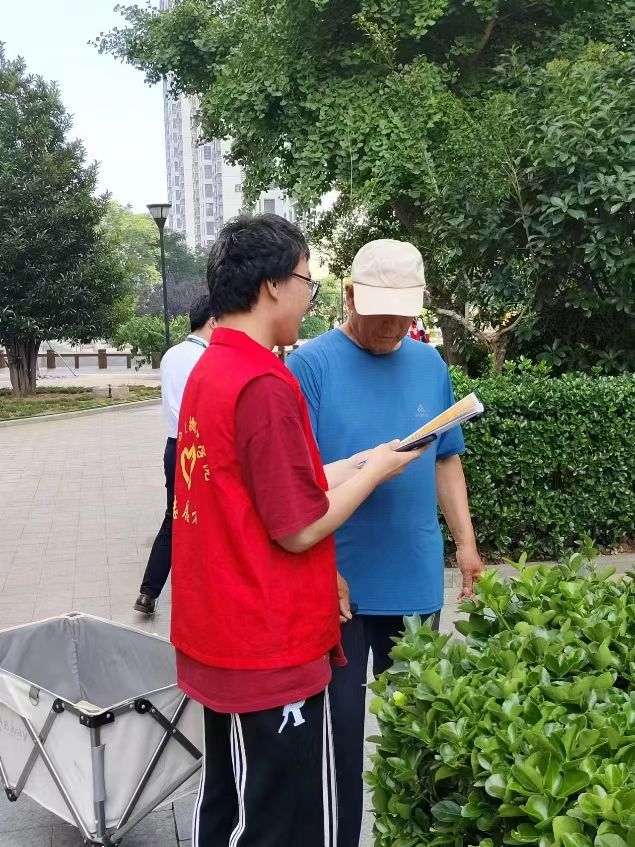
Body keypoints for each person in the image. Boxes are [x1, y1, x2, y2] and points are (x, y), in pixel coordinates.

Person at [170, 215, 428, 847]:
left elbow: (274, 482)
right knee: (279, 821)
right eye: (307, 282)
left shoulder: (213, 368)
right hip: (265, 643)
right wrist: (378, 473)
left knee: (233, 805)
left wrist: (365, 459)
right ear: (273, 286)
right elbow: (301, 526)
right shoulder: (264, 382)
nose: (310, 297)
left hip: (223, 633)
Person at [287, 238, 484, 847]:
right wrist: (319, 568)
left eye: (404, 313)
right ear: (349, 296)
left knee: (416, 735)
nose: (393, 326)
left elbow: (447, 460)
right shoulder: (310, 366)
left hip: (415, 577)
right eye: (381, 313)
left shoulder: (429, 364)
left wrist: (466, 545)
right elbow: (296, 483)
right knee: (340, 737)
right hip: (339, 587)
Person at [133, 293, 214, 615]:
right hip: (203, 447)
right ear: (213, 322)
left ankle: (148, 592)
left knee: (176, 516)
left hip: (174, 447)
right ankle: (203, 593)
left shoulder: (171, 355)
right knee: (209, 519)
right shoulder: (209, 358)